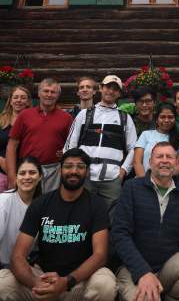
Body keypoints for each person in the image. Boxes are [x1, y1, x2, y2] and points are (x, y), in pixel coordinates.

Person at [0, 148, 117, 301]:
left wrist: (67, 281)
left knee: (105, 284)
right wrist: (38, 284)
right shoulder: (41, 204)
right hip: (43, 278)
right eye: (68, 166)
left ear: (87, 172)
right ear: (60, 170)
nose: (74, 171)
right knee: (4, 281)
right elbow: (17, 256)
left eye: (80, 167)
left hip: (79, 281)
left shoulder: (97, 204)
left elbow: (100, 255)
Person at [112, 142, 179, 301]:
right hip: (132, 268)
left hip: (167, 268)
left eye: (169, 157)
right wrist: (143, 272)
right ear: (150, 162)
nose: (164, 160)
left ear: (176, 163)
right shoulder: (131, 188)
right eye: (159, 156)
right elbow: (120, 234)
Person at [65, 74, 137, 214]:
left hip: (112, 178)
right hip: (84, 175)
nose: (110, 91)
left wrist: (123, 171)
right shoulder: (84, 114)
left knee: (111, 219)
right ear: (100, 88)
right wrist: (74, 167)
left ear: (119, 93)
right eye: (107, 87)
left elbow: (134, 148)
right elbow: (70, 143)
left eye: (115, 89)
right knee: (80, 214)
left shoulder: (125, 118)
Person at [6, 78, 73, 193]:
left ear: (58, 95)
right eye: (46, 91)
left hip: (54, 170)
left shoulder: (66, 118)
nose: (49, 95)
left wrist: (65, 151)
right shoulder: (25, 115)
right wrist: (12, 177)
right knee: (26, 205)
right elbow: (12, 146)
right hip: (27, 168)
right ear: (39, 93)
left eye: (53, 92)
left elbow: (72, 145)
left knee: (50, 205)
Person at [0, 156, 42, 269]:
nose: (27, 177)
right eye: (22, 173)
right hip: (4, 266)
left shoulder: (42, 205)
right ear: (16, 177)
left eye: (32, 172)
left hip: (27, 265)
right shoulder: (4, 201)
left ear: (40, 177)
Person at [133, 102, 179, 177]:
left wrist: (163, 180)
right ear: (157, 119)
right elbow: (137, 162)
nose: (166, 120)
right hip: (144, 182)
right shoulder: (146, 134)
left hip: (168, 184)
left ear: (175, 119)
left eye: (170, 117)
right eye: (162, 117)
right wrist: (144, 182)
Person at [0, 85, 32, 192]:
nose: (19, 100)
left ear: (28, 102)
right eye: (16, 97)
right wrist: (2, 162)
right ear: (10, 101)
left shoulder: (33, 122)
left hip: (25, 172)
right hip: (1, 171)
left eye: (23, 98)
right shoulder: (1, 121)